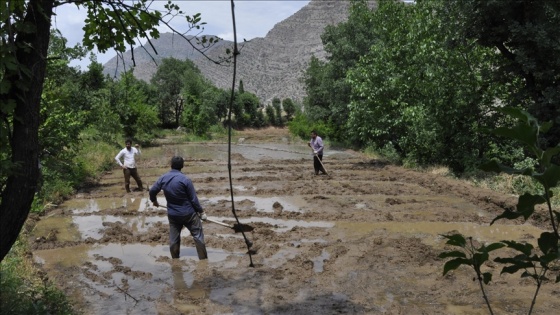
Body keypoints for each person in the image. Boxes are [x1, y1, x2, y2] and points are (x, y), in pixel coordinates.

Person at [149, 156, 208, 260]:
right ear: (182, 166)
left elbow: (152, 190)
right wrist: (201, 212)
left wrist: (154, 200)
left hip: (173, 215)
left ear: (171, 165)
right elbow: (193, 199)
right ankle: (203, 260)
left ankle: (175, 260)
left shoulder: (163, 178)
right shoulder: (185, 179)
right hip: (189, 214)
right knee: (198, 235)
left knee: (174, 239)